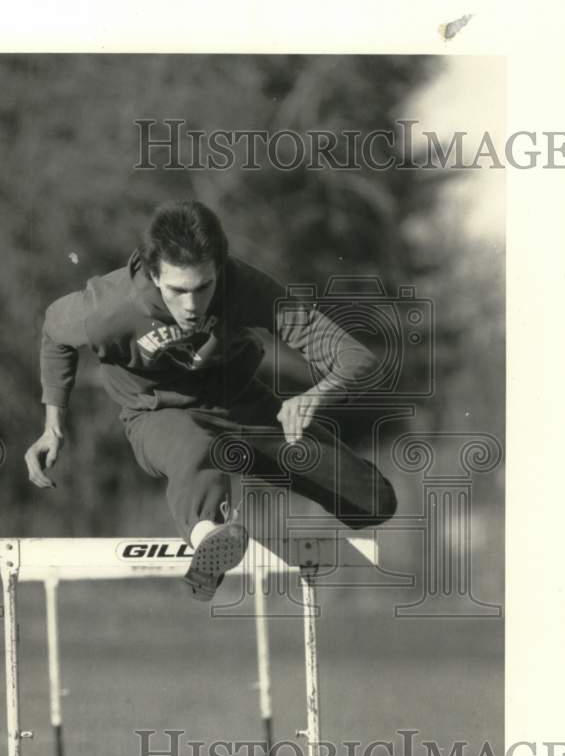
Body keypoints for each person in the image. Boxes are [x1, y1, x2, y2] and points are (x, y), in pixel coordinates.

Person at [25, 200, 397, 600]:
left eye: (204, 288)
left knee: (374, 501)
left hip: (241, 406)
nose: (191, 305)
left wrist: (317, 395)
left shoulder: (245, 286)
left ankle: (232, 523)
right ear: (153, 274)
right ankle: (210, 540)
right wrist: (53, 424)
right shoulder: (109, 306)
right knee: (194, 447)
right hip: (158, 413)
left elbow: (357, 357)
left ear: (220, 268)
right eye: (177, 291)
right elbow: (54, 331)